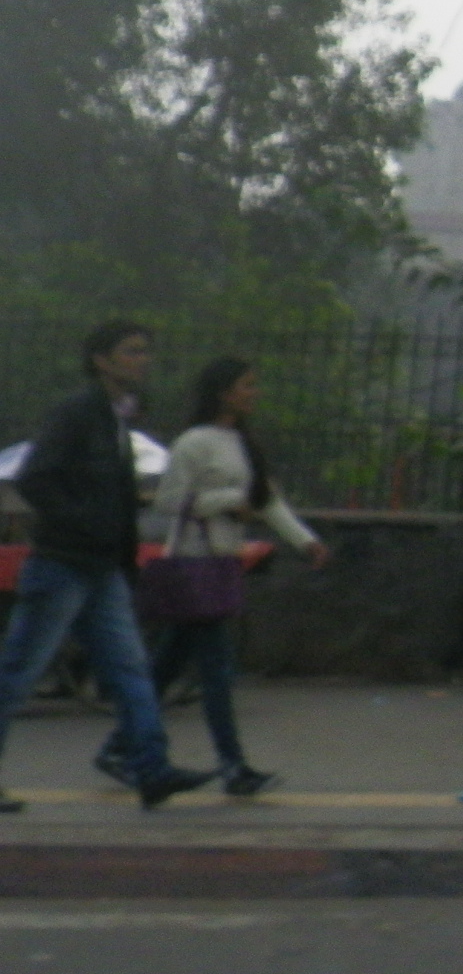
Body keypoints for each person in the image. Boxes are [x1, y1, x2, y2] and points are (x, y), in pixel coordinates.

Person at [0, 321, 215, 812]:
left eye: (145, 351)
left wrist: (115, 544)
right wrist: (85, 524)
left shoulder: (115, 418)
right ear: (101, 360)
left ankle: (152, 769)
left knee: (130, 668)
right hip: (62, 564)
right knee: (18, 672)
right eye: (131, 351)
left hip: (101, 567)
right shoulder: (77, 413)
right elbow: (36, 479)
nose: (143, 360)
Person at [104, 357, 329, 797]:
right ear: (223, 392)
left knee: (167, 666)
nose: (254, 393)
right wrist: (226, 500)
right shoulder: (194, 443)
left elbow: (266, 502)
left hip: (220, 564)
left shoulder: (244, 443)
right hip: (195, 563)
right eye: (247, 385)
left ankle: (116, 747)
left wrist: (306, 542)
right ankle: (233, 765)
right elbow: (169, 501)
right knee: (216, 673)